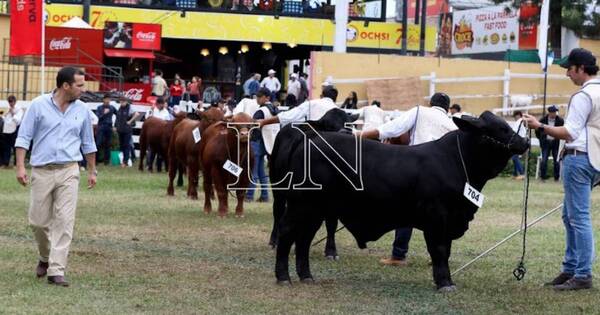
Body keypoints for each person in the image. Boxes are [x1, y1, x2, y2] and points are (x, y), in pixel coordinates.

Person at [523, 48, 600, 291]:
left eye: (570, 68)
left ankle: (582, 273)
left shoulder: (583, 95)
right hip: (595, 159)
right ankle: (571, 268)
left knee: (578, 218)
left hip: (578, 158)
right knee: (571, 216)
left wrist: (539, 125)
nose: (567, 73)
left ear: (581, 68)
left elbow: (569, 133)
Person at [15, 66, 97, 287]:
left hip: (70, 170)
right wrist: (21, 166)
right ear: (66, 86)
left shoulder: (82, 110)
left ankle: (56, 270)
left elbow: (88, 143)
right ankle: (44, 256)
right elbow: (24, 137)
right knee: (38, 222)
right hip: (41, 170)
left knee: (64, 221)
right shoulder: (38, 105)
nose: (83, 89)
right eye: (79, 85)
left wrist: (91, 170)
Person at [358, 92, 457, 267]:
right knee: (438, 217)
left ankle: (398, 255)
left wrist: (361, 135)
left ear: (430, 103)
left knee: (405, 213)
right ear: (448, 109)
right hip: (443, 176)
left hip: (418, 170)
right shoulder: (452, 125)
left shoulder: (420, 111)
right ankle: (438, 257)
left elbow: (392, 128)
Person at [246, 88, 279, 202]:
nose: (258, 99)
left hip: (257, 141)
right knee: (261, 171)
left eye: (260, 97)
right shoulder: (275, 109)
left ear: (267, 98)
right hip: (269, 142)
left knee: (253, 171)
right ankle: (264, 196)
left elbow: (253, 126)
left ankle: (249, 195)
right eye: (257, 96)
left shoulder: (261, 111)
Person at [258, 85, 340, 128]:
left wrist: (264, 122)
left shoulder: (312, 103)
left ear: (321, 96)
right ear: (335, 99)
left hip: (313, 142)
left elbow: (289, 116)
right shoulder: (338, 110)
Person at [536, 105, 564, 181]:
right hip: (546, 143)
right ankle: (542, 177)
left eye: (556, 112)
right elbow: (537, 131)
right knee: (544, 160)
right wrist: (541, 139)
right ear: (550, 113)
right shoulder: (543, 120)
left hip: (556, 143)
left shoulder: (560, 121)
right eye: (554, 112)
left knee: (556, 161)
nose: (555, 113)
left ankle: (556, 177)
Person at [115, 96, 140, 168]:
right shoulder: (120, 108)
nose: (122, 103)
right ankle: (126, 160)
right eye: (121, 101)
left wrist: (130, 121)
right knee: (122, 146)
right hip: (120, 130)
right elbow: (118, 118)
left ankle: (125, 162)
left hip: (127, 130)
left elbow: (137, 114)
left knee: (127, 145)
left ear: (126, 102)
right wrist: (116, 126)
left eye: (123, 101)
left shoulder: (129, 108)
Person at [1, 95, 24, 168]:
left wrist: (13, 113)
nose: (10, 103)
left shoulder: (19, 109)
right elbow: (5, 119)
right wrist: (6, 114)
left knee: (15, 148)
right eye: (9, 102)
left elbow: (18, 121)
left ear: (15, 101)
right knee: (6, 148)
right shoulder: (9, 108)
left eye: (11, 102)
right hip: (6, 130)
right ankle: (5, 163)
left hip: (14, 130)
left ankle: (16, 164)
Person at [95, 93, 117, 165]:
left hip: (109, 127)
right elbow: (97, 117)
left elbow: (118, 115)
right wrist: (104, 113)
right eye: (106, 99)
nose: (108, 101)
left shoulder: (112, 107)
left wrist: (115, 125)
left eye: (109, 99)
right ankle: (96, 160)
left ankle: (106, 161)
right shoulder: (99, 108)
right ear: (103, 100)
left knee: (108, 144)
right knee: (98, 143)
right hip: (101, 126)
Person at [511, 111, 526, 180]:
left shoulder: (519, 121)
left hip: (518, 141)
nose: (514, 118)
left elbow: (514, 131)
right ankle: (515, 174)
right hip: (520, 141)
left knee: (515, 158)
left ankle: (522, 173)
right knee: (514, 158)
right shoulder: (521, 121)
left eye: (515, 116)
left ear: (518, 115)